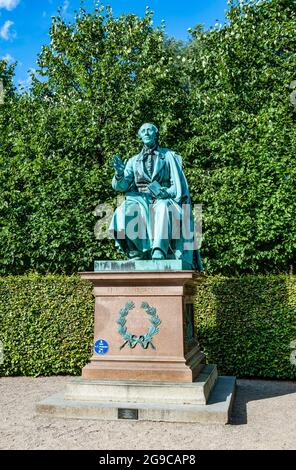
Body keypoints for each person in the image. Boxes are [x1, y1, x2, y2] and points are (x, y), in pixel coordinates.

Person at [109, 123, 201, 270]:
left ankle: (159, 250)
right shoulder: (133, 161)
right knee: (122, 211)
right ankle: (136, 251)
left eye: (149, 130)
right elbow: (122, 186)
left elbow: (178, 186)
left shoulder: (169, 156)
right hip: (140, 199)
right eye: (143, 131)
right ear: (139, 136)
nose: (146, 133)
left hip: (163, 198)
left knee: (163, 207)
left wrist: (167, 192)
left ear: (155, 134)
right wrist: (119, 175)